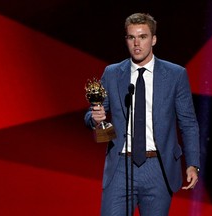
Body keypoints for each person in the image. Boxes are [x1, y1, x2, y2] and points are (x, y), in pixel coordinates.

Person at [84, 12, 200, 216]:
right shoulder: (112, 73)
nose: (137, 43)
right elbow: (92, 114)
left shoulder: (175, 75)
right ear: (126, 40)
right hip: (121, 166)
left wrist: (192, 164)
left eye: (143, 36)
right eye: (131, 37)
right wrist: (95, 118)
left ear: (153, 39)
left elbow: (188, 123)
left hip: (159, 167)